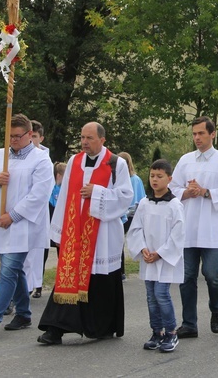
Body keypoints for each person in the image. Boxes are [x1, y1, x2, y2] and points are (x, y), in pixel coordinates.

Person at [37, 122, 133, 345]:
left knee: (100, 280)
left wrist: (97, 192)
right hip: (75, 231)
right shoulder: (74, 161)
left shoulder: (115, 163)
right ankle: (56, 328)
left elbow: (126, 196)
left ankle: (102, 326)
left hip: (103, 234)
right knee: (68, 276)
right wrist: (59, 230)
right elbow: (64, 196)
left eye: (89, 138)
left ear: (102, 140)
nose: (84, 142)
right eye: (82, 138)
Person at [0, 114, 54, 339]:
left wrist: (14, 215)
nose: (14, 141)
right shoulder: (0, 156)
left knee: (8, 269)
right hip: (2, 222)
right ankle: (24, 313)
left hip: (23, 226)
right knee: (16, 269)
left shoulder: (41, 160)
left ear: (30, 135)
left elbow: (39, 195)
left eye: (18, 136)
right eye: (10, 136)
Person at [169, 117, 218, 338]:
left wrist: (206, 192)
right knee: (187, 276)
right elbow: (172, 187)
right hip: (188, 228)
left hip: (211, 228)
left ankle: (216, 311)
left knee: (212, 275)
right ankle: (189, 323)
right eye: (194, 134)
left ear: (212, 134)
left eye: (201, 133)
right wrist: (186, 192)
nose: (197, 138)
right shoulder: (186, 160)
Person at [126, 159, 185, 353]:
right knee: (151, 296)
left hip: (164, 259)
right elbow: (136, 229)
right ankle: (156, 332)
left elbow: (178, 233)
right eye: (152, 176)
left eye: (159, 176)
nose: (155, 180)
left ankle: (171, 332)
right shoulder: (144, 203)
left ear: (169, 179)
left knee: (161, 294)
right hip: (148, 257)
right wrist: (142, 248)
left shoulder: (175, 205)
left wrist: (160, 254)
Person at [23, 120, 51, 299]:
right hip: (19, 210)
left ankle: (31, 287)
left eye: (34, 136)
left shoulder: (43, 157)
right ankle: (23, 289)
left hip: (37, 212)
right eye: (29, 136)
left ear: (40, 137)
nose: (31, 139)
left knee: (34, 254)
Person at [118, 151, 147, 280]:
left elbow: (140, 199)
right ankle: (120, 271)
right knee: (118, 242)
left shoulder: (135, 179)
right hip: (120, 214)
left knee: (122, 241)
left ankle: (123, 271)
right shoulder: (119, 179)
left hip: (130, 215)